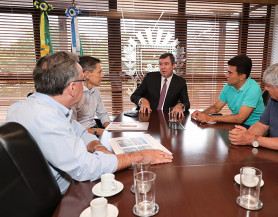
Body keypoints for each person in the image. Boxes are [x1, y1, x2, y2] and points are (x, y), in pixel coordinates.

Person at [6, 51, 173, 194]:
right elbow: (85, 168)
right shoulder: (46, 118)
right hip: (64, 194)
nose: (84, 85)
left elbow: (78, 131)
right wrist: (140, 156)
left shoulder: (31, 106)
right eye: (81, 81)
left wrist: (97, 146)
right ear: (72, 88)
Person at [191, 54, 265, 128]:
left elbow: (240, 118)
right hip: (236, 125)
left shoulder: (253, 88)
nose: (226, 75)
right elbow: (216, 107)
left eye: (230, 73)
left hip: (253, 127)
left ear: (242, 76)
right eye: (227, 72)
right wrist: (201, 114)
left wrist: (211, 118)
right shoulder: (229, 85)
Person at [130, 52, 190, 117]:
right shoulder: (150, 77)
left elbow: (186, 103)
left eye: (166, 64)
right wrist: (142, 100)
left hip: (167, 117)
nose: (162, 67)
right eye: (161, 64)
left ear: (173, 66)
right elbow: (134, 96)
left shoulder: (180, 82)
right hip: (147, 116)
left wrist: (180, 106)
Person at [72, 56, 109, 137]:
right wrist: (97, 131)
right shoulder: (73, 94)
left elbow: (103, 114)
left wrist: (108, 129)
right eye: (99, 72)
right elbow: (72, 127)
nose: (102, 75)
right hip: (81, 134)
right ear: (87, 75)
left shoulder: (95, 91)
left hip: (94, 130)